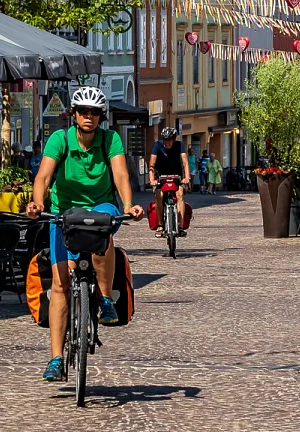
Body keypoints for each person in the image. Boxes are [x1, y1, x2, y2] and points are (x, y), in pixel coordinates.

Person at [26, 85, 144, 383]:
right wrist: (38, 203)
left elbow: (120, 175)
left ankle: (104, 299)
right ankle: (55, 358)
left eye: (94, 112)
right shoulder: (60, 139)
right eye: (83, 111)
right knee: (60, 285)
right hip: (63, 212)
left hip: (100, 205)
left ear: (101, 116)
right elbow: (43, 176)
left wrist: (128, 205)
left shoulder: (110, 139)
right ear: (74, 114)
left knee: (103, 229)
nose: (88, 116)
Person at [148, 127, 191, 238]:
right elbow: (152, 164)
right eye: (165, 139)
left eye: (169, 139)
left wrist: (187, 178)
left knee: (180, 195)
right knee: (159, 195)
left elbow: (185, 163)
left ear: (174, 139)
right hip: (161, 177)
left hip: (177, 176)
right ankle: (161, 225)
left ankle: (180, 226)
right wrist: (152, 179)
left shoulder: (179, 145)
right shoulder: (157, 145)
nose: (167, 142)